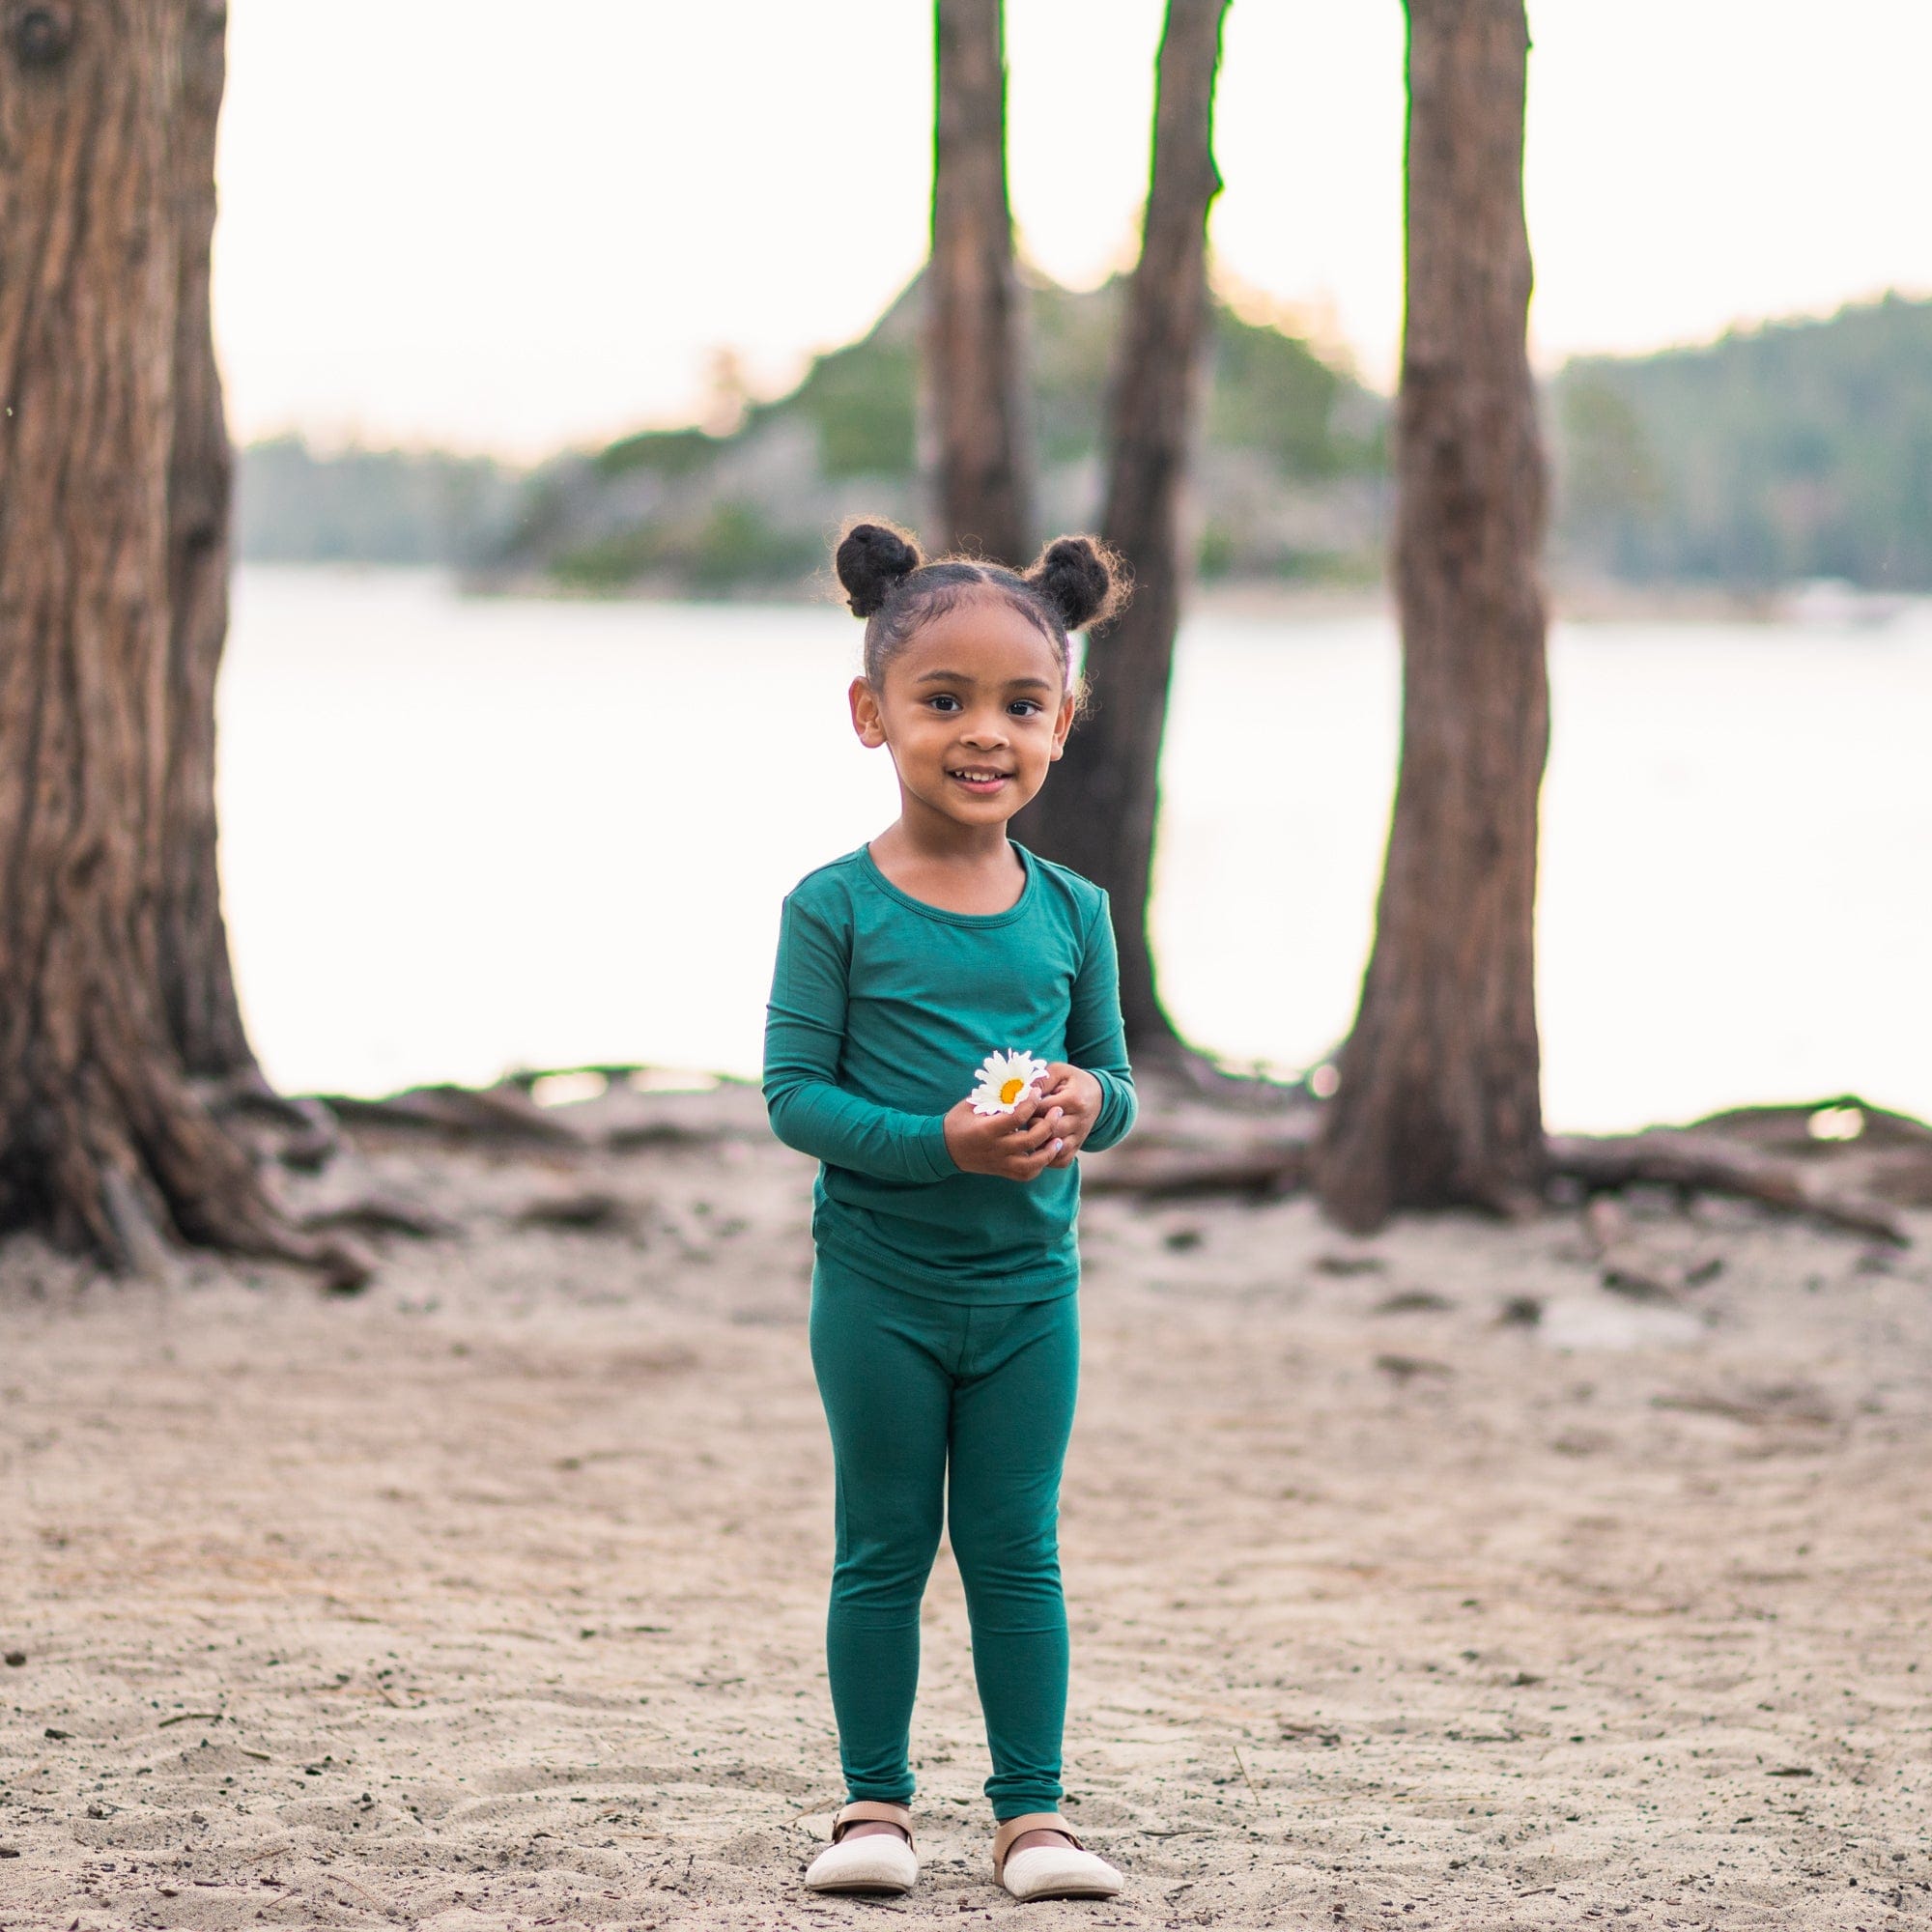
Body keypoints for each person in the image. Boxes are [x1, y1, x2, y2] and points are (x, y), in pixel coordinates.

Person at [762, 521, 1139, 1904]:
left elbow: (1116, 1080)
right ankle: (872, 1808)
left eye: (1021, 706)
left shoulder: (1076, 911)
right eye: (945, 701)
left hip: (1033, 1300)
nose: (985, 733)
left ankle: (1033, 1821)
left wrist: (1087, 1110)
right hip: (878, 1294)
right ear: (873, 715)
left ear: (1064, 723)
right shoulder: (834, 909)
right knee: (881, 1545)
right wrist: (941, 1144)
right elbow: (796, 1097)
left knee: (1016, 1549)